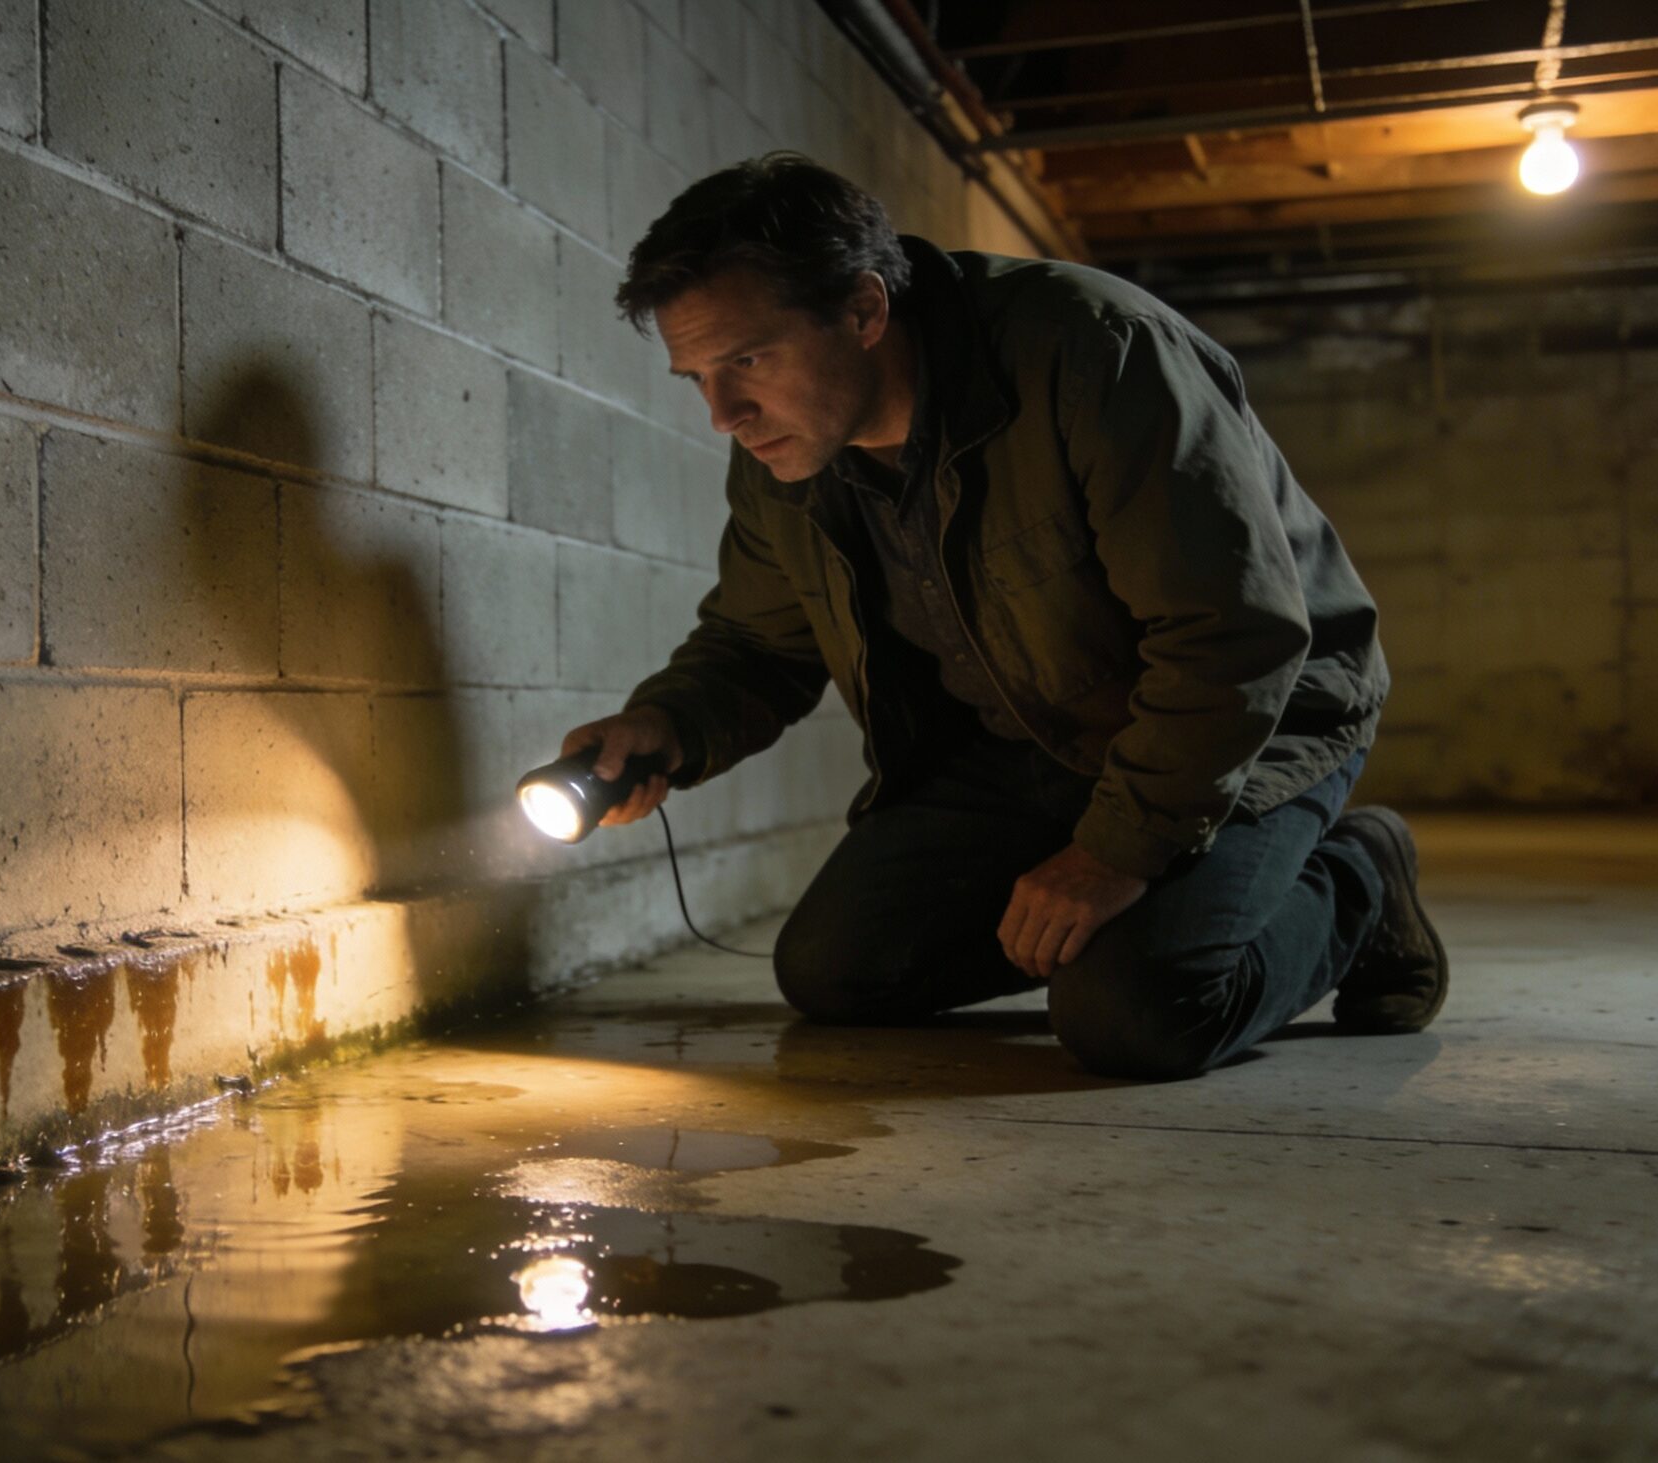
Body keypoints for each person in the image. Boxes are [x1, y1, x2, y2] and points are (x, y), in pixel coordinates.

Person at [559, 154, 1446, 1081]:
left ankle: (1361, 880)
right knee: (837, 970)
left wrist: (1112, 853)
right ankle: (1141, 908)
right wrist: (662, 725)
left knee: (1135, 1014)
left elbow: (1230, 638)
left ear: (864, 310)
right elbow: (755, 641)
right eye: (695, 376)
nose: (722, 413)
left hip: (1255, 721)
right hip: (1028, 739)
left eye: (747, 360)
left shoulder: (1096, 351)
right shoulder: (787, 451)